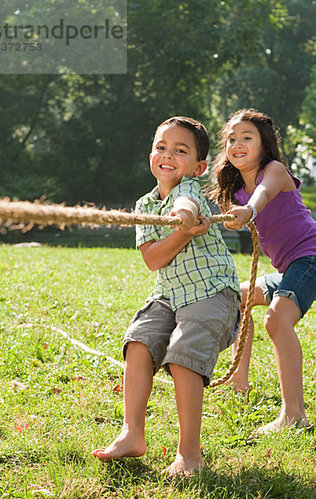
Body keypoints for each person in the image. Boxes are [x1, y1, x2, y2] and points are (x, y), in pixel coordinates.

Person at [92, 116, 241, 474]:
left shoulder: (188, 191)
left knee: (183, 354)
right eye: (161, 147)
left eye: (180, 150)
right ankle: (132, 434)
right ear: (151, 154)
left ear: (198, 166)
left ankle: (190, 454)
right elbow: (153, 258)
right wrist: (182, 235)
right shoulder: (144, 206)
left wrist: (184, 219)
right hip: (170, 295)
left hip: (211, 292)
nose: (167, 155)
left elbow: (185, 208)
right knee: (139, 341)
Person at [212, 108, 316, 434]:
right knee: (236, 296)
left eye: (246, 137)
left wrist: (249, 210)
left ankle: (294, 416)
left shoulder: (275, 170)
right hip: (291, 269)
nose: (237, 143)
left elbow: (264, 193)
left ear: (264, 145)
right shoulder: (236, 189)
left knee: (277, 318)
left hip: (315, 260)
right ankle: (239, 382)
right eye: (231, 139)